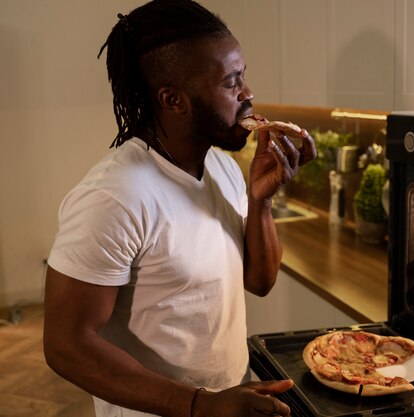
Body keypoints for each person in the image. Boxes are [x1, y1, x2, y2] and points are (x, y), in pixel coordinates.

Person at [43, 1, 316, 416]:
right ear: (174, 99)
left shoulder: (221, 166)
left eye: (243, 75)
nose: (248, 93)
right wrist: (197, 405)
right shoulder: (114, 196)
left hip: (229, 402)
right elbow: (67, 346)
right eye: (230, 82)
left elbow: (259, 281)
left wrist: (261, 201)